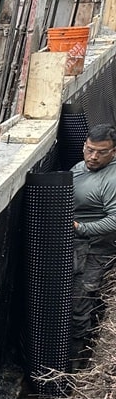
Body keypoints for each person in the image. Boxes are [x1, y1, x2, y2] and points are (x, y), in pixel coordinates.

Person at [71, 124, 116, 360]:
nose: (94, 157)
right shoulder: (81, 167)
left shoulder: (112, 179)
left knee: (79, 305)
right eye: (89, 150)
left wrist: (82, 228)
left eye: (102, 152)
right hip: (76, 247)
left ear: (114, 152)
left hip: (94, 251)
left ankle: (76, 366)